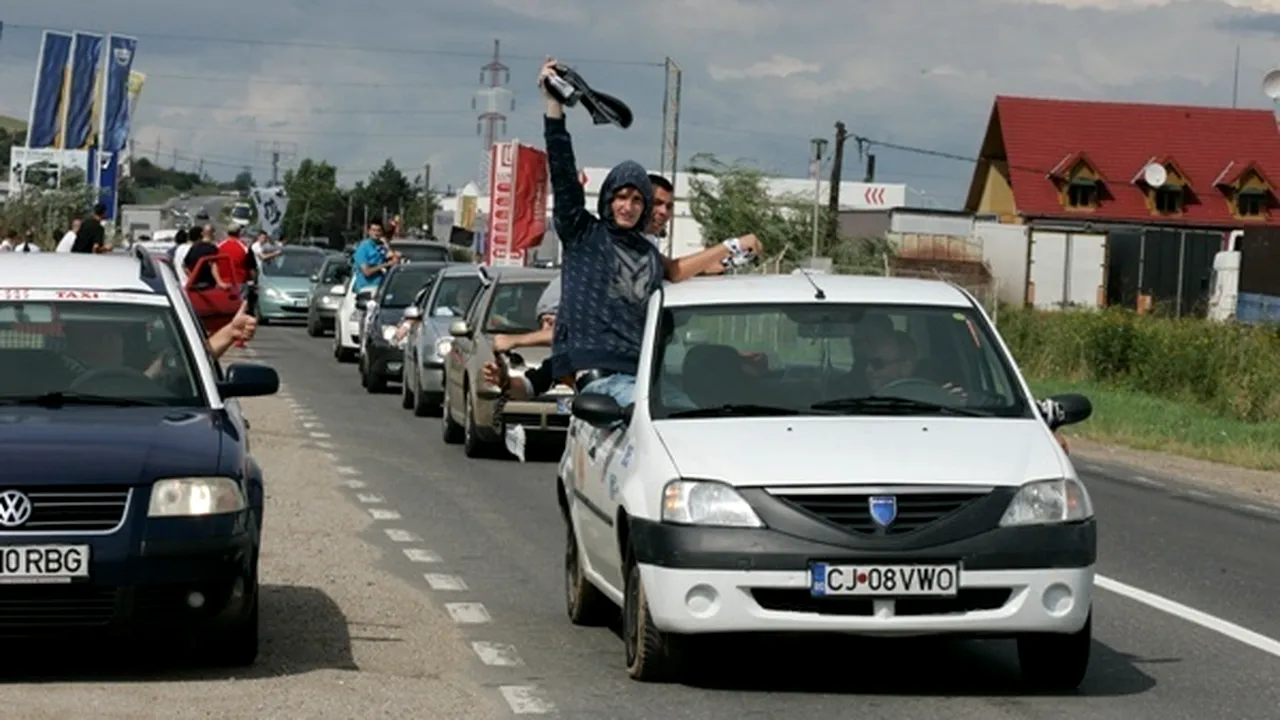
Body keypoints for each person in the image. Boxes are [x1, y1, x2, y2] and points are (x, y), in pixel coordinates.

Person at [351, 221, 399, 293]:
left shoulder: (381, 246)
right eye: (373, 230)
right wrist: (385, 265)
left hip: (381, 288)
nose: (376, 233)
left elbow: (394, 259)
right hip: (366, 289)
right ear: (369, 231)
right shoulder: (364, 247)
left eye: (378, 231)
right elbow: (367, 272)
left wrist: (388, 248)